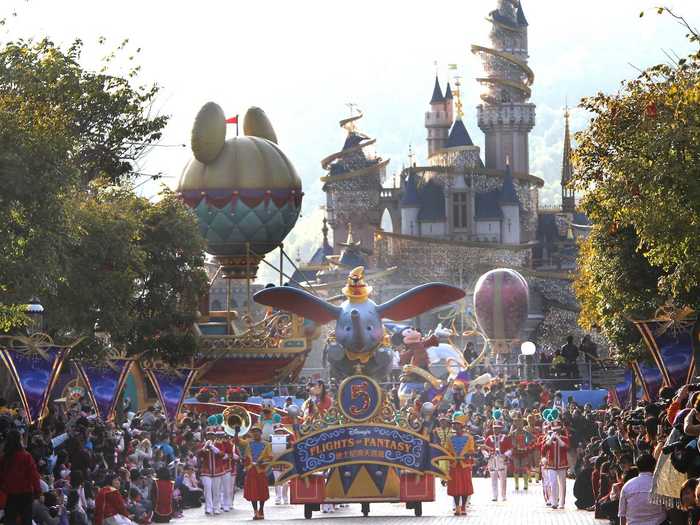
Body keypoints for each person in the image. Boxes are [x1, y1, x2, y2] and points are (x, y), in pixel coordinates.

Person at [0, 429, 41, 525]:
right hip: (25, 496)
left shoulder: (4, 458)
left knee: (10, 520)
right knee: (26, 521)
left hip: (10, 496)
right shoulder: (26, 456)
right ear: (19, 440)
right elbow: (34, 475)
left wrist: (4, 488)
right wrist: (39, 492)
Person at [618, 454, 666, 525]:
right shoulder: (660, 484)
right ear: (654, 467)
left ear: (637, 467)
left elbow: (622, 514)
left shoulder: (627, 486)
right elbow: (668, 508)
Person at [237, 424, 272, 520]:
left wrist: (262, 462)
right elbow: (236, 442)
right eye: (253, 432)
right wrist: (236, 432)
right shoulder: (249, 443)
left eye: (257, 431)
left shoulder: (266, 444)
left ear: (261, 433)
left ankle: (261, 509)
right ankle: (255, 511)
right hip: (251, 470)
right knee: (253, 492)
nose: (255, 433)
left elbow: (270, 458)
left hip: (261, 470)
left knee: (262, 492)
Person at [445, 413, 474, 515]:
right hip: (454, 465)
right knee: (455, 487)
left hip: (464, 465)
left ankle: (463, 508)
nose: (454, 426)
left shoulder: (469, 437)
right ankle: (457, 507)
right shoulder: (450, 438)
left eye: (457, 424)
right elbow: (447, 450)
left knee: (465, 487)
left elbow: (471, 450)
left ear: (462, 425)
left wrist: (467, 454)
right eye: (454, 424)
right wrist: (450, 456)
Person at [541, 409, 569, 509]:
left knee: (562, 484)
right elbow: (543, 450)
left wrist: (559, 438)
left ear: (560, 429)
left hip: (562, 464)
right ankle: (554, 502)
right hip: (551, 464)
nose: (556, 431)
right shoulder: (548, 438)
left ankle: (562, 502)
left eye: (557, 430)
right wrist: (550, 440)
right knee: (552, 482)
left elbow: (566, 448)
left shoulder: (564, 438)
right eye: (554, 430)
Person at [482, 413, 512, 502]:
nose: (496, 430)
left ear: (501, 428)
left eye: (498, 428)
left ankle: (503, 495)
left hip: (501, 460)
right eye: (495, 428)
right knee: (493, 479)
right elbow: (484, 448)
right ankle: (495, 495)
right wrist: (486, 455)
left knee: (503, 479)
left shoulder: (505, 438)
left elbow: (511, 448)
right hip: (492, 460)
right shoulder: (489, 438)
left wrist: (506, 454)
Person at [197, 426, 225, 515]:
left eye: (212, 435)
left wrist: (213, 448)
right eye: (209, 435)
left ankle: (216, 507)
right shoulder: (203, 444)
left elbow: (222, 454)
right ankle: (208, 507)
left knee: (216, 490)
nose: (210, 437)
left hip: (217, 471)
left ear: (215, 436)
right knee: (207, 489)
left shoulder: (219, 444)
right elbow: (198, 454)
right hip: (206, 471)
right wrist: (204, 448)